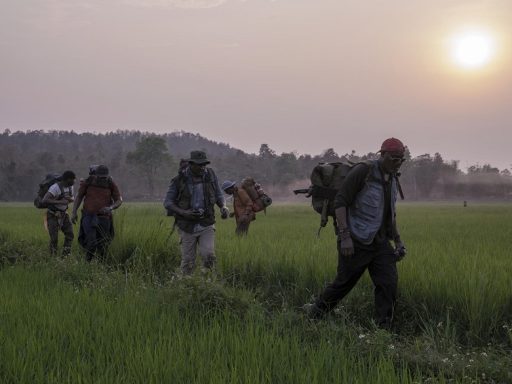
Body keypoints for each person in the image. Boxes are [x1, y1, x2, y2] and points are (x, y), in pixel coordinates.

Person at [305, 138, 407, 329]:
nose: (398, 162)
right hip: (356, 240)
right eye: (394, 158)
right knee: (343, 284)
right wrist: (345, 237)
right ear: (382, 155)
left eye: (401, 159)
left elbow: (390, 213)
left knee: (388, 285)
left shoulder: (393, 177)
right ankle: (313, 318)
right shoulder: (364, 171)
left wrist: (398, 241)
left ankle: (383, 331)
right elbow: (341, 202)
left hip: (381, 242)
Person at [164, 150, 229, 275]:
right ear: (191, 164)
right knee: (188, 262)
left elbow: (218, 194)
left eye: (204, 164)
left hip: (206, 223)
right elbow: (167, 203)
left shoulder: (210, 174)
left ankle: (208, 282)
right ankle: (185, 286)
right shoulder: (178, 180)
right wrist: (184, 213)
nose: (202, 167)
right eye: (199, 165)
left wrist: (223, 207)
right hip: (187, 226)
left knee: (209, 256)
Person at [71, 165, 123, 261]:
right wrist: (74, 212)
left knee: (103, 244)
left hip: (104, 218)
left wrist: (110, 208)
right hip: (89, 216)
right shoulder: (88, 181)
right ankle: (87, 264)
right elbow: (79, 197)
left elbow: (119, 200)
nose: (102, 179)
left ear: (107, 176)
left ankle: (101, 265)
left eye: (104, 177)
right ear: (96, 175)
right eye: (100, 177)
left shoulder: (110, 183)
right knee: (91, 242)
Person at [42, 170, 76, 256]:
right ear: (65, 179)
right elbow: (45, 200)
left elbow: (71, 198)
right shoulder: (55, 188)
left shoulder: (70, 187)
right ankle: (52, 258)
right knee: (54, 239)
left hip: (64, 214)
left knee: (70, 235)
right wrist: (60, 202)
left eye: (73, 180)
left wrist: (70, 200)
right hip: (52, 214)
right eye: (71, 180)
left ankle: (65, 256)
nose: (73, 182)